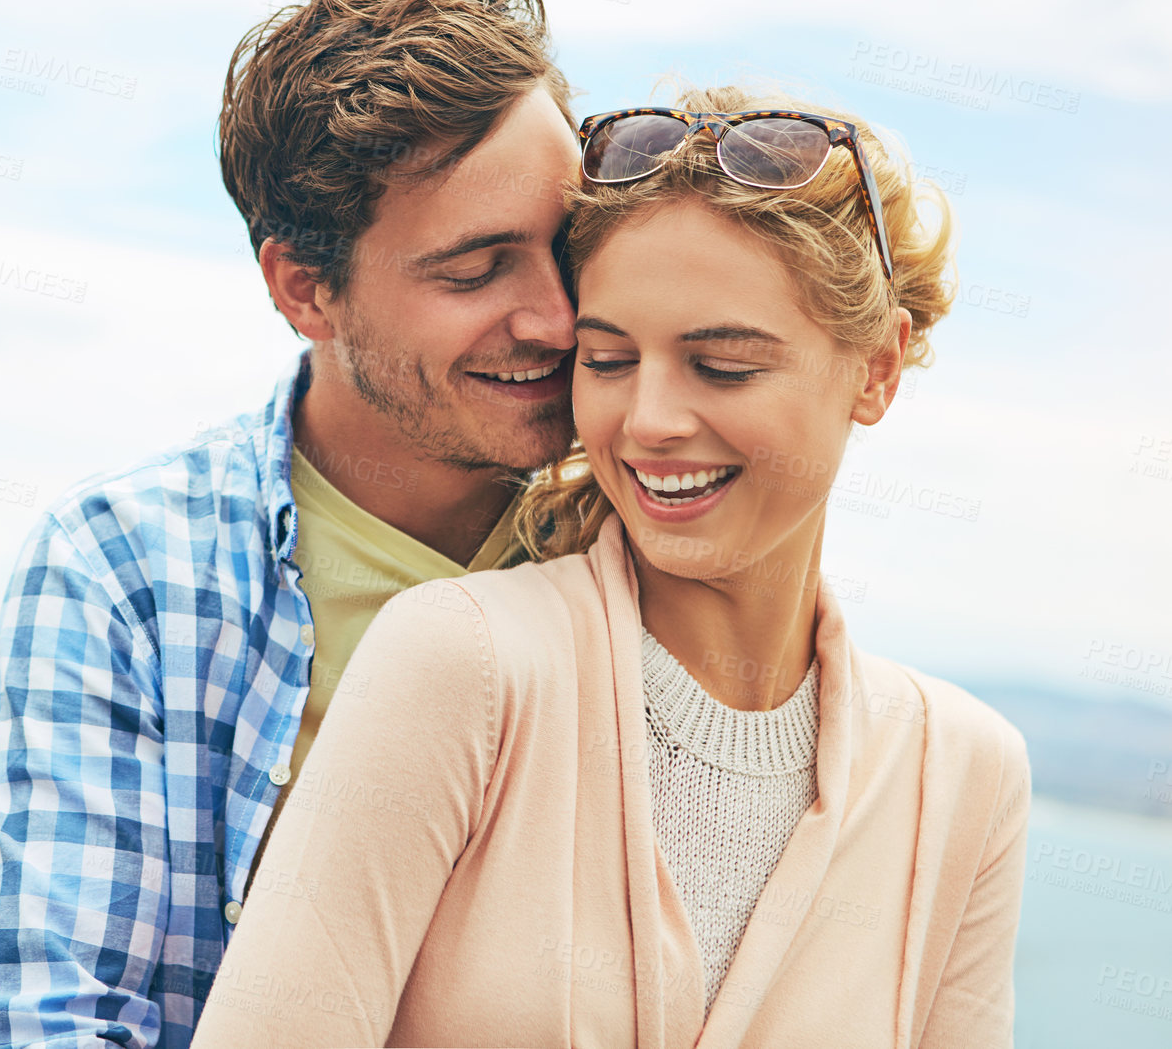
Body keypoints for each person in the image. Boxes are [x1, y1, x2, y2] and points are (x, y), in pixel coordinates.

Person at [190, 85, 1033, 1049]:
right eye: (608, 360)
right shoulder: (462, 662)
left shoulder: (962, 773)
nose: (650, 422)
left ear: (876, 369)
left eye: (722, 365)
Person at [0, 0, 586, 1049]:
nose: (557, 319)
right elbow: (42, 1020)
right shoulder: (124, 569)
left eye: (566, 248)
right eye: (477, 271)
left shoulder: (642, 547)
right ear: (304, 288)